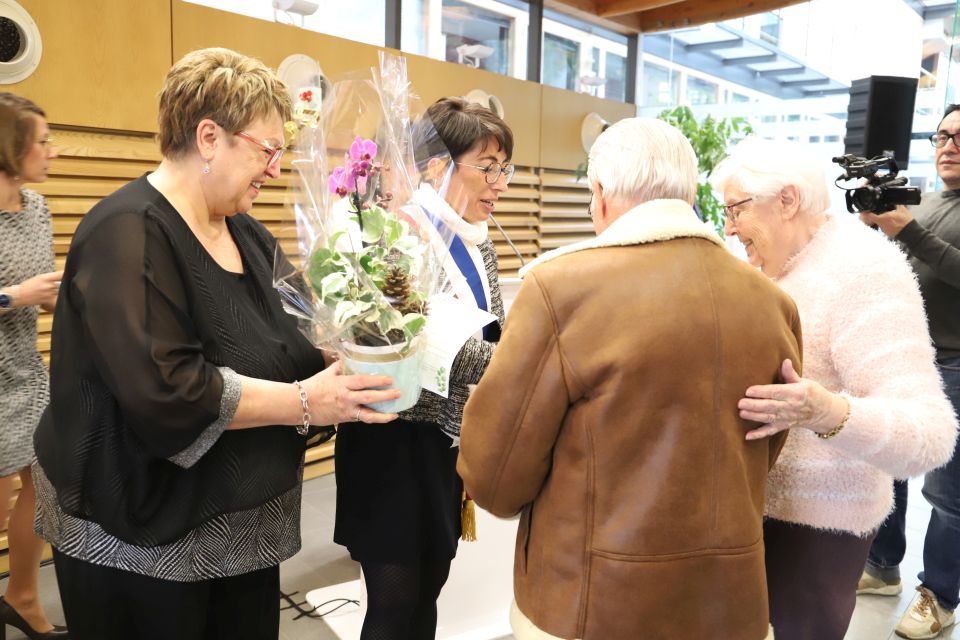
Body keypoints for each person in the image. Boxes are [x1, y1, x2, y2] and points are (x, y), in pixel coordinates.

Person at [31, 48, 400, 640]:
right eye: (267, 150)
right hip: (140, 536)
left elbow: (296, 333)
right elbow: (168, 389)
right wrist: (307, 401)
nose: (276, 170)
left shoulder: (245, 231)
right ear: (209, 137)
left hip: (238, 528)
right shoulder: (126, 233)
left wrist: (347, 353)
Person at [457, 117, 803, 640]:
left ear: (599, 194)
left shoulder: (561, 290)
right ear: (686, 192)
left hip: (592, 603)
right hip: (729, 604)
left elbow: (496, 474)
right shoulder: (774, 304)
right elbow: (766, 442)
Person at [713, 137, 958, 640]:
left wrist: (826, 412)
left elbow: (930, 433)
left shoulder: (864, 271)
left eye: (736, 209)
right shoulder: (776, 265)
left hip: (817, 529)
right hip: (750, 512)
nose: (730, 227)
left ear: (787, 200)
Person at [332, 97, 513, 640]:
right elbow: (446, 351)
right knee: (392, 604)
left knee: (431, 589)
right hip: (391, 442)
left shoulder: (479, 244)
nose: (499, 183)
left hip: (447, 445)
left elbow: (493, 330)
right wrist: (533, 359)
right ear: (437, 166)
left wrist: (515, 355)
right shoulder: (392, 236)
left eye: (504, 169)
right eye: (487, 167)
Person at [856, 104, 960, 640]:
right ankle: (881, 566)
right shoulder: (930, 200)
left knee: (947, 491)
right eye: (942, 135)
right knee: (891, 460)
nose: (949, 145)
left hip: (956, 362)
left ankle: (939, 596)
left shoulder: (930, 213)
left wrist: (910, 231)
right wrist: (881, 229)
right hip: (910, 354)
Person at [0, 94, 68, 640]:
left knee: (45, 486)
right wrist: (11, 295)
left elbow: (42, 293)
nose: (50, 152)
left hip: (27, 371)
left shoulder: (37, 208)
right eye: (41, 142)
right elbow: (18, 293)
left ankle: (21, 597)